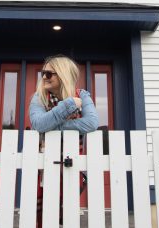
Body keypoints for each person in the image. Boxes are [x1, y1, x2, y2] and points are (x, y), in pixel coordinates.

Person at [29, 54, 99, 227]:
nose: (44, 77)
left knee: (68, 214)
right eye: (43, 73)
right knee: (45, 213)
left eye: (49, 74)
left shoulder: (82, 95)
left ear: (63, 74)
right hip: (44, 165)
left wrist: (54, 127)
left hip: (71, 164)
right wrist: (69, 105)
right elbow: (39, 124)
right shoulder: (39, 98)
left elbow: (92, 123)